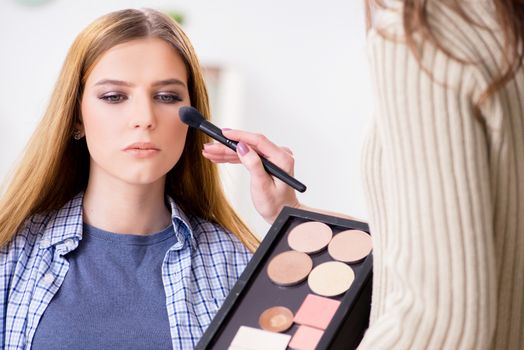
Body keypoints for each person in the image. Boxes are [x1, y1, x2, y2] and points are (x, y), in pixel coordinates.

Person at [203, 0, 524, 349]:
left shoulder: (424, 32)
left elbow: (440, 322)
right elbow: (473, 241)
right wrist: (291, 212)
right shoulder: (501, 22)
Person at [0, 8, 259, 349]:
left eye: (167, 97)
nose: (144, 118)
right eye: (114, 97)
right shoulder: (12, 254)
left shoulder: (235, 262)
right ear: (76, 117)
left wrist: (290, 212)